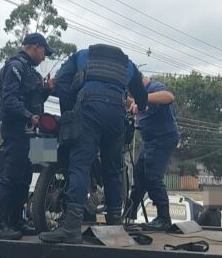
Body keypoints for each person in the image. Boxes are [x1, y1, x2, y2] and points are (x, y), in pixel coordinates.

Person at [39, 44, 149, 244]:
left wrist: (70, 110)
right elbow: (141, 94)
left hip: (90, 110)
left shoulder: (81, 55)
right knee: (113, 169)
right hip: (116, 114)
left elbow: (62, 81)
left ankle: (72, 227)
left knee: (80, 165)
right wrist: (140, 106)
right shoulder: (128, 64)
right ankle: (115, 224)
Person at [0, 33, 52, 240]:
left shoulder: (31, 72)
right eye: (44, 52)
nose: (45, 57)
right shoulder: (15, 67)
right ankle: (1, 225)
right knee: (11, 176)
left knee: (26, 177)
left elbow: (34, 98)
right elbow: (9, 100)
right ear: (35, 46)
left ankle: (18, 220)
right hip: (17, 130)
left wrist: (47, 90)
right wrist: (29, 116)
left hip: (33, 133)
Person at [125, 76, 180, 231]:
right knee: (139, 175)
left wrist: (141, 98)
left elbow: (169, 97)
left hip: (163, 138)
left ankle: (164, 218)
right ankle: (129, 213)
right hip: (149, 140)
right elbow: (134, 103)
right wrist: (126, 100)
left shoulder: (155, 87)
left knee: (153, 177)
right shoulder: (138, 94)